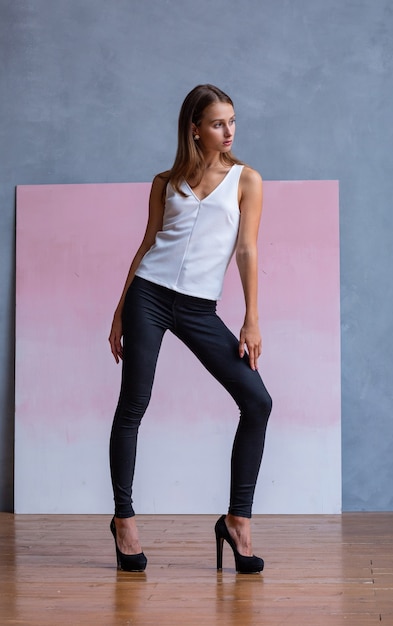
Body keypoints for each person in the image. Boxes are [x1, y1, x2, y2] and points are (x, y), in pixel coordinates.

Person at [108, 84, 272, 574]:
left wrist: (251, 316)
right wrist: (120, 310)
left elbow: (247, 250)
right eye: (218, 123)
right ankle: (123, 520)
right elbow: (146, 245)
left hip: (201, 309)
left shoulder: (246, 180)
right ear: (194, 128)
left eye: (233, 121)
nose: (229, 131)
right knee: (133, 404)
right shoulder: (165, 181)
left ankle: (237, 520)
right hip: (149, 296)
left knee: (257, 401)